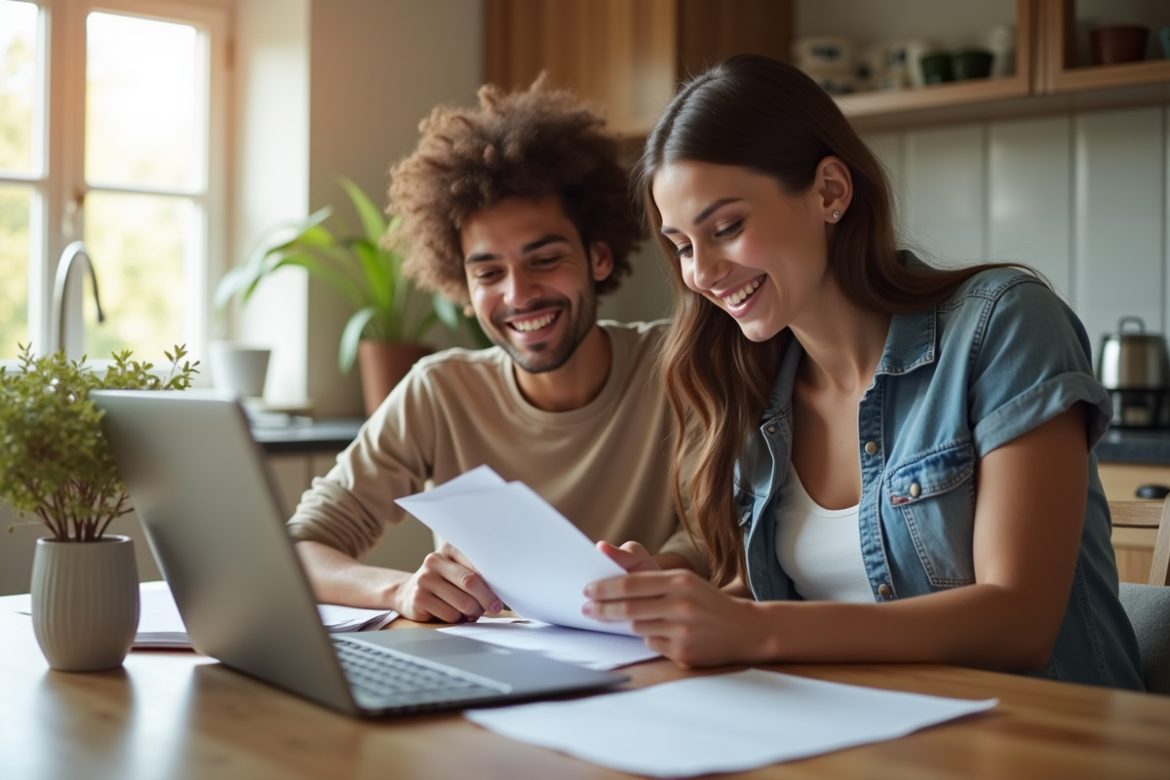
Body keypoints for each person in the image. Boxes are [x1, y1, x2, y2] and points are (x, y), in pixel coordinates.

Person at [582, 54, 1144, 690]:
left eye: (728, 227)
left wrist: (756, 628)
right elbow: (761, 599)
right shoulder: (753, 386)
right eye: (683, 246)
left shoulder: (1003, 324)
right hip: (861, 728)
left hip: (1041, 730)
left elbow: (1019, 622)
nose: (702, 274)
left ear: (830, 192)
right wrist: (661, 600)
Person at [289, 78, 703, 623]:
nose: (518, 294)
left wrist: (655, 572)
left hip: (646, 657)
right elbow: (302, 548)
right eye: (488, 272)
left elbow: (714, 537)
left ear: (599, 258)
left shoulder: (678, 366)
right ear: (462, 286)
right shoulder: (439, 392)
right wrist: (400, 591)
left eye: (544, 260)